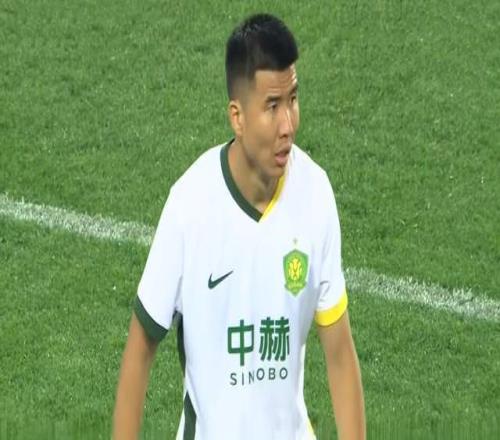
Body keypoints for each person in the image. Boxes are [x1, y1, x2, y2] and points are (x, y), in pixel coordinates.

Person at [113, 13, 366, 440]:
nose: (288, 125)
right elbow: (140, 347)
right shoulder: (191, 205)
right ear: (238, 116)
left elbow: (339, 352)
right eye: (272, 106)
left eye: (293, 99)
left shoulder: (315, 193)